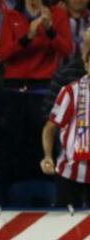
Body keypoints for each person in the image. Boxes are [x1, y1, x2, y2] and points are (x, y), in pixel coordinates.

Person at [0, 0, 72, 204]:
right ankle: (5, 205)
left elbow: (67, 49)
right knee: (12, 150)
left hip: (43, 91)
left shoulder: (57, 15)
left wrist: (49, 31)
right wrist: (27, 37)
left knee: (44, 148)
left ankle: (53, 203)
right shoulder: (12, 16)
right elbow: (2, 54)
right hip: (14, 92)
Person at [40, 50, 90, 208]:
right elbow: (50, 128)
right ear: (86, 65)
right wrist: (47, 156)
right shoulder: (70, 92)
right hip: (69, 173)